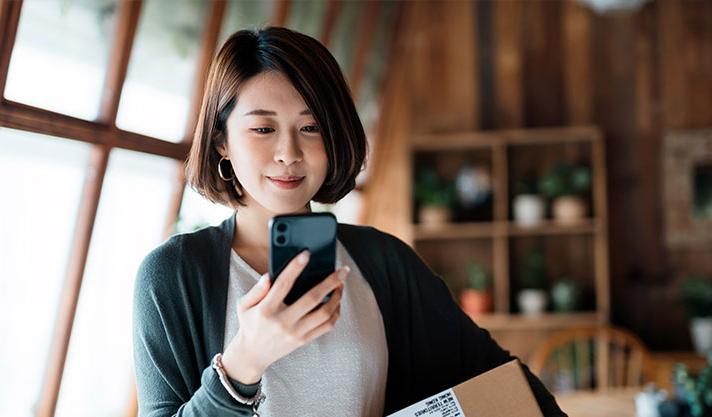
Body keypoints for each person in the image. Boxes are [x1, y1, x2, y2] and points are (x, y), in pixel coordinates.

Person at [133, 27, 566, 417]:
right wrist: (243, 363)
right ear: (222, 142)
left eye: (311, 127)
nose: (289, 152)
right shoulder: (173, 276)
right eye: (263, 129)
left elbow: (502, 381)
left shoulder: (383, 261)